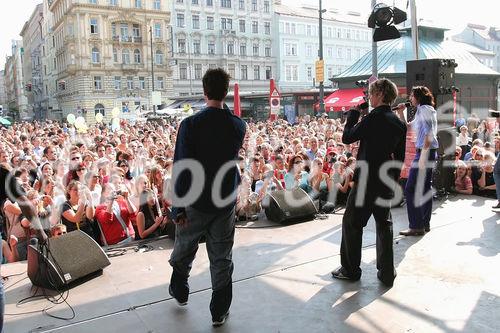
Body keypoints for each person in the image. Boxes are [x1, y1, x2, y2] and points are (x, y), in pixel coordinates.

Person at [168, 68, 245, 327]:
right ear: (226, 91)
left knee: (184, 248)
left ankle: (179, 288)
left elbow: (182, 166)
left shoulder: (189, 125)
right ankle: (219, 311)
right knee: (221, 257)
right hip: (224, 200)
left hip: (195, 200)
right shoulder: (238, 125)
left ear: (204, 91)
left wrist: (177, 207)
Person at [331, 78, 406, 287]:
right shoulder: (399, 123)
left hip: (365, 182)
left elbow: (347, 137)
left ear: (380, 94)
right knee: (384, 225)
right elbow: (399, 158)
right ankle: (387, 273)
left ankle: (350, 269)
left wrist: (354, 114)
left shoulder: (372, 118)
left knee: (353, 224)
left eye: (371, 94)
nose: (369, 98)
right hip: (386, 181)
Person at [395, 86, 439, 236]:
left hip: (424, 153)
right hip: (424, 152)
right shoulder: (421, 110)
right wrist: (401, 113)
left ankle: (416, 225)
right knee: (425, 188)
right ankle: (424, 224)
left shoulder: (426, 109)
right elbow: (408, 127)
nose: (410, 99)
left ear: (419, 96)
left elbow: (430, 134)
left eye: (412, 96)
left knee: (411, 188)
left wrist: (423, 157)